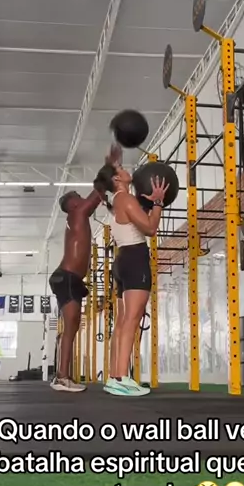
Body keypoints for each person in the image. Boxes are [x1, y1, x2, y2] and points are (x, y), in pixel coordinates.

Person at [49, 147, 121, 393]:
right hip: (68, 278)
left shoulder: (76, 219)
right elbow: (98, 192)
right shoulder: (78, 213)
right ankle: (62, 378)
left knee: (71, 328)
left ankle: (62, 376)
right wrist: (110, 165)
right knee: (71, 327)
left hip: (69, 278)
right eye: (77, 196)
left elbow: (98, 193)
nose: (81, 198)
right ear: (72, 204)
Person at [93, 161, 168, 396]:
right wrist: (158, 203)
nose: (126, 170)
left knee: (123, 322)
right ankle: (121, 378)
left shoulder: (118, 201)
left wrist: (149, 204)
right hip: (135, 258)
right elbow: (150, 229)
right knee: (131, 320)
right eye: (121, 169)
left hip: (123, 260)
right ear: (117, 179)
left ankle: (115, 377)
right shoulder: (125, 199)